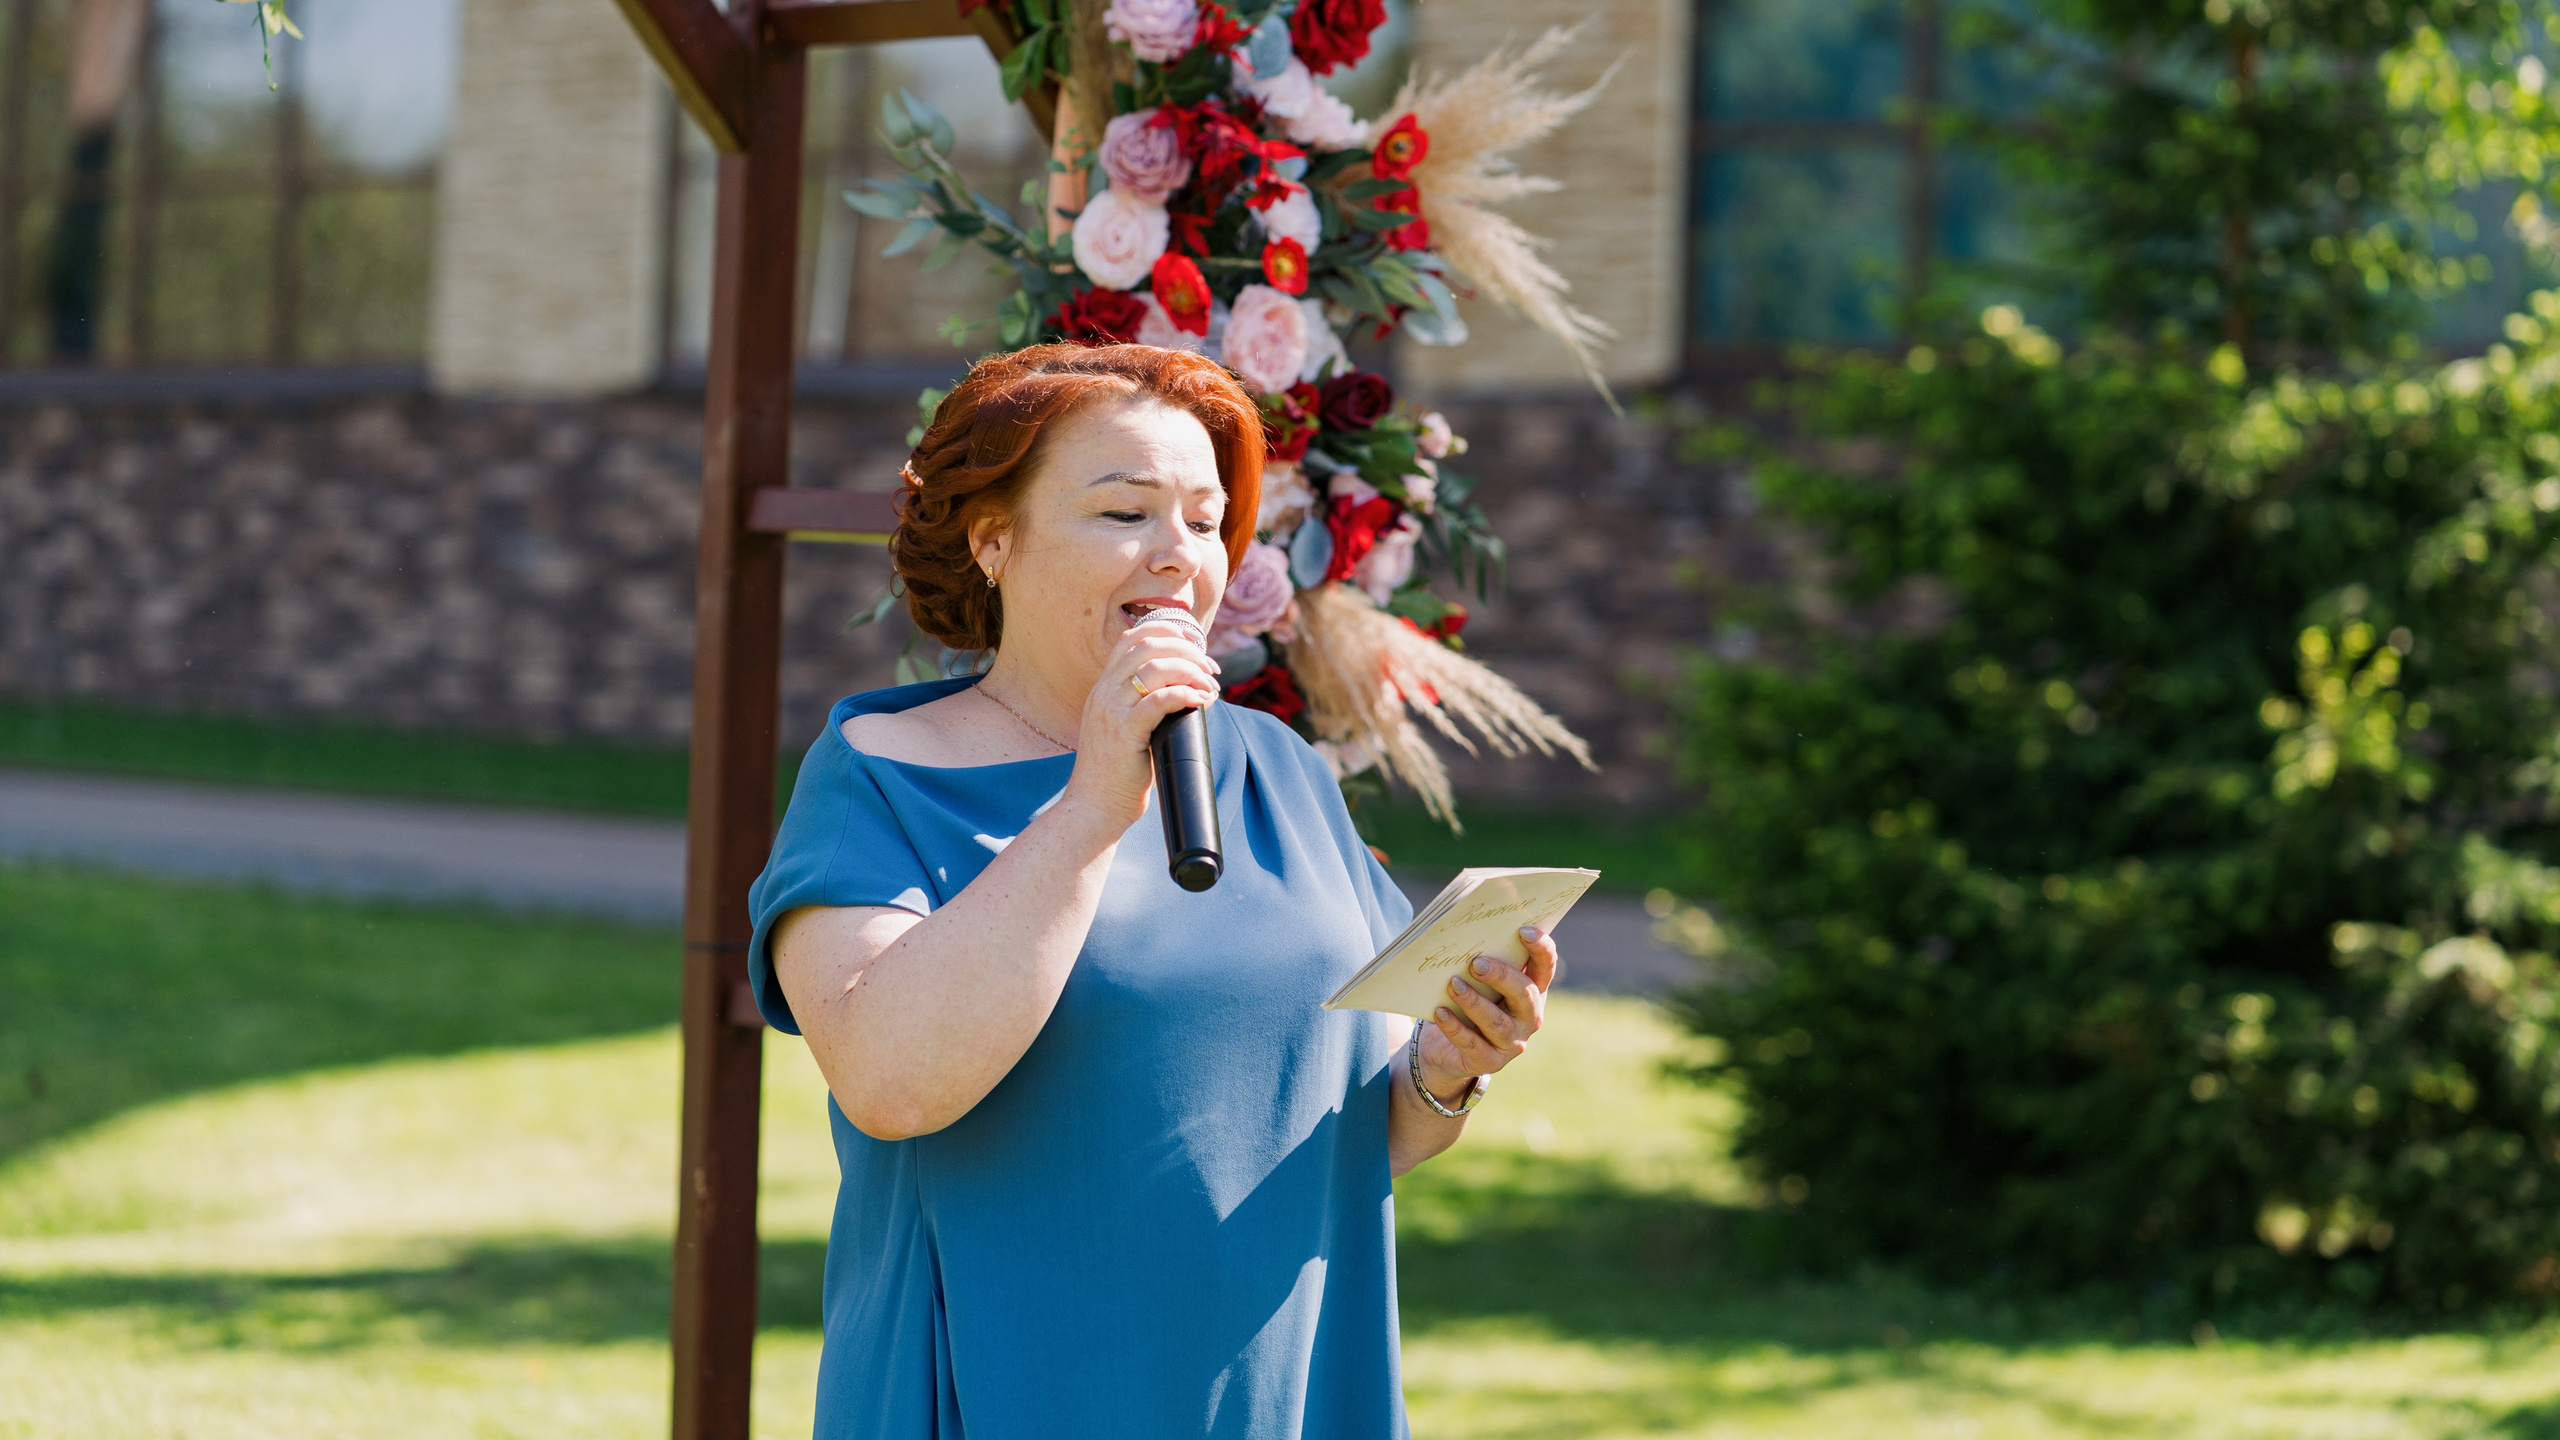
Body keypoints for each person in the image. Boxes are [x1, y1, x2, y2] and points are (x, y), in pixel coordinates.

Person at [747, 343, 1561, 1438]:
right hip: (1014, 1390)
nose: (1177, 556)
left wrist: (1447, 1071)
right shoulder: (881, 774)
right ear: (993, 539)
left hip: (1279, 1390)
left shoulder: (1276, 770)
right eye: (1125, 512)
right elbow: (889, 1082)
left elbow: (1341, 1127)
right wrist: (1092, 802)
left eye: (1203, 519)